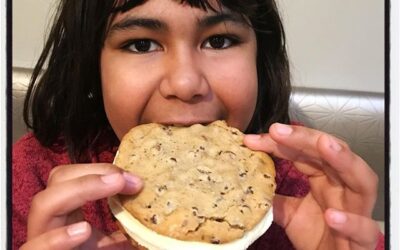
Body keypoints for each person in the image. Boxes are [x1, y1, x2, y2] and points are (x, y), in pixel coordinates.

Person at [12, 0, 384, 249]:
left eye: (219, 40)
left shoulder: (306, 189)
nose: (186, 84)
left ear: (261, 57)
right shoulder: (28, 179)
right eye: (141, 44)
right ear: (92, 65)